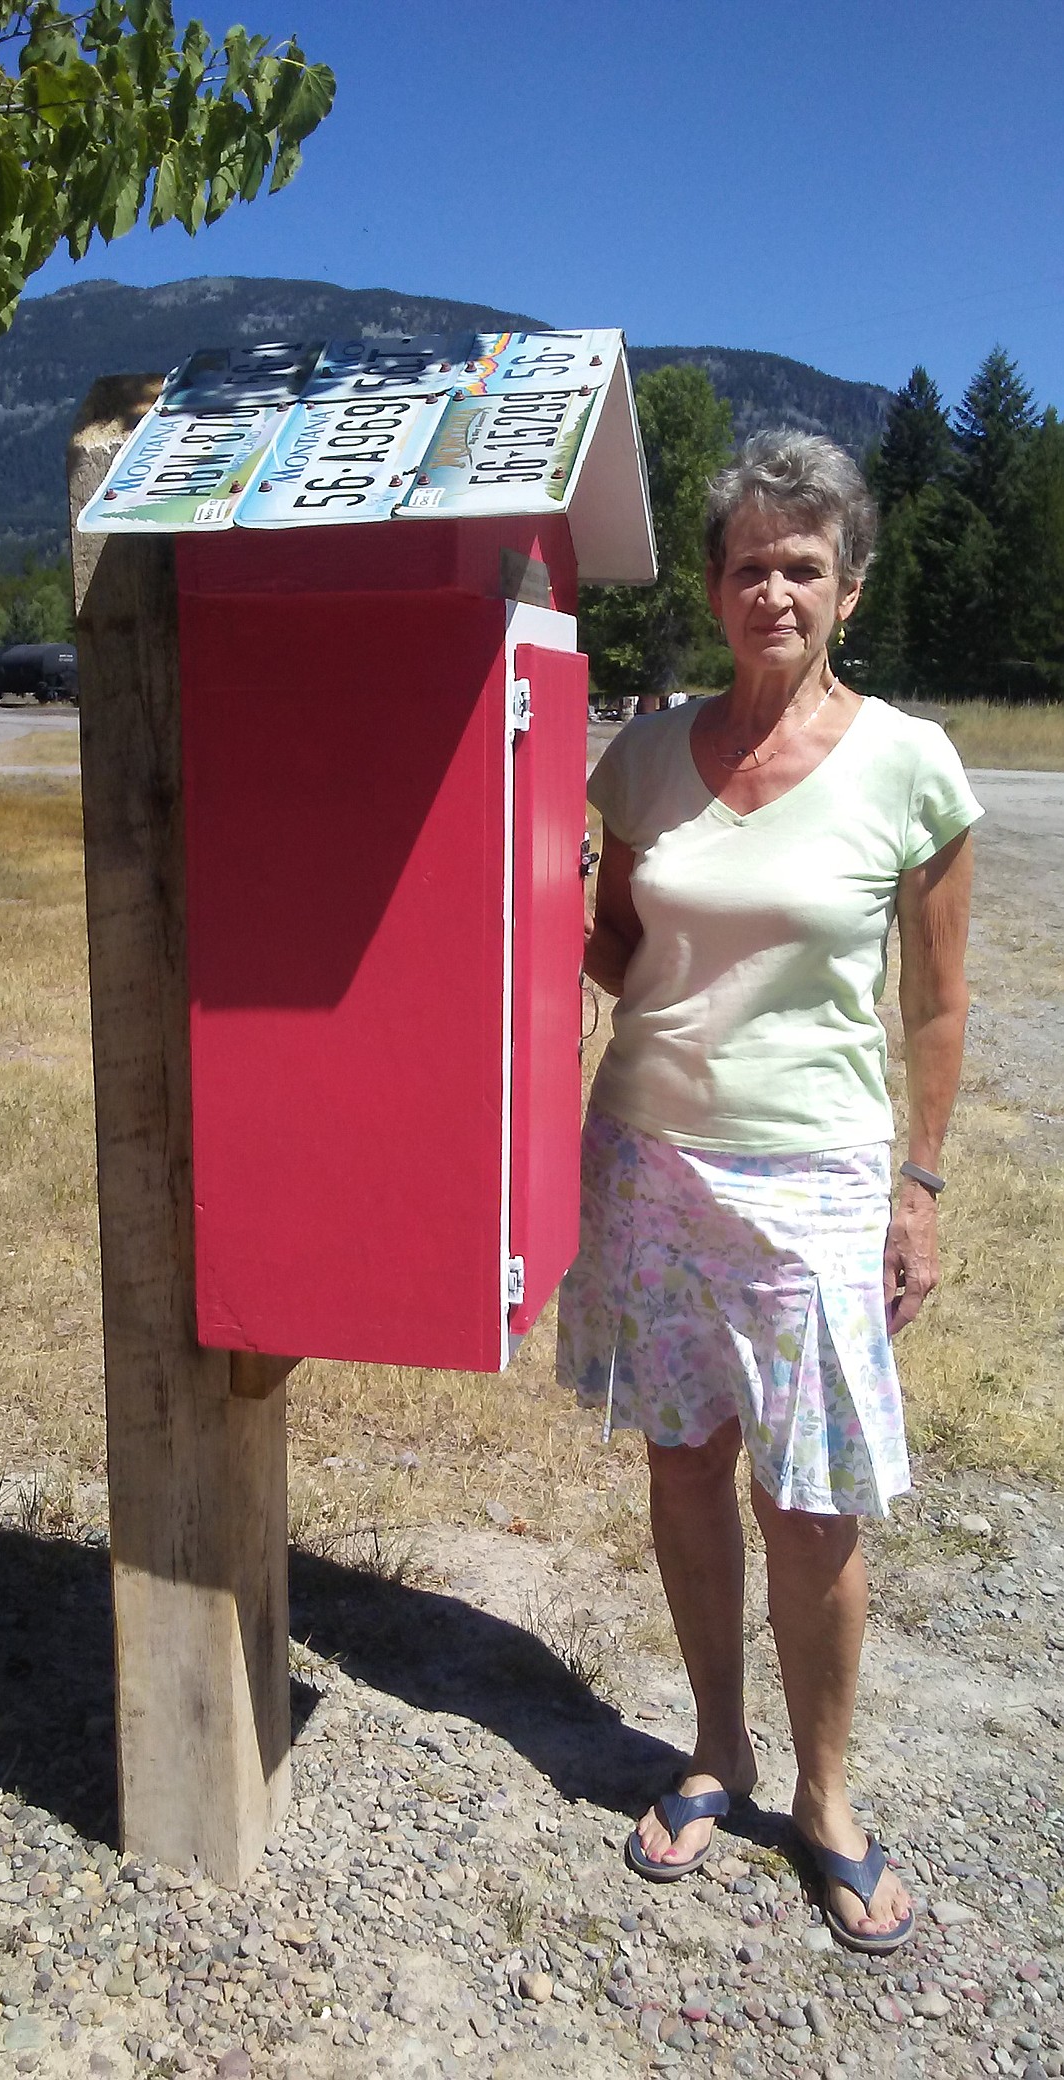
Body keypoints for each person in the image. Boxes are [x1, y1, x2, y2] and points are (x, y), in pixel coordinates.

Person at [558, 429, 982, 1955]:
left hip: (813, 1181)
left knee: (807, 1507)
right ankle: (713, 1750)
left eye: (802, 566)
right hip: (648, 1163)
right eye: (748, 565)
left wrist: (915, 1186)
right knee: (683, 1469)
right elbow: (614, 943)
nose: (773, 592)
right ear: (718, 588)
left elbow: (933, 1008)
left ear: (846, 589)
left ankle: (821, 1798)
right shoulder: (645, 757)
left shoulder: (910, 765)